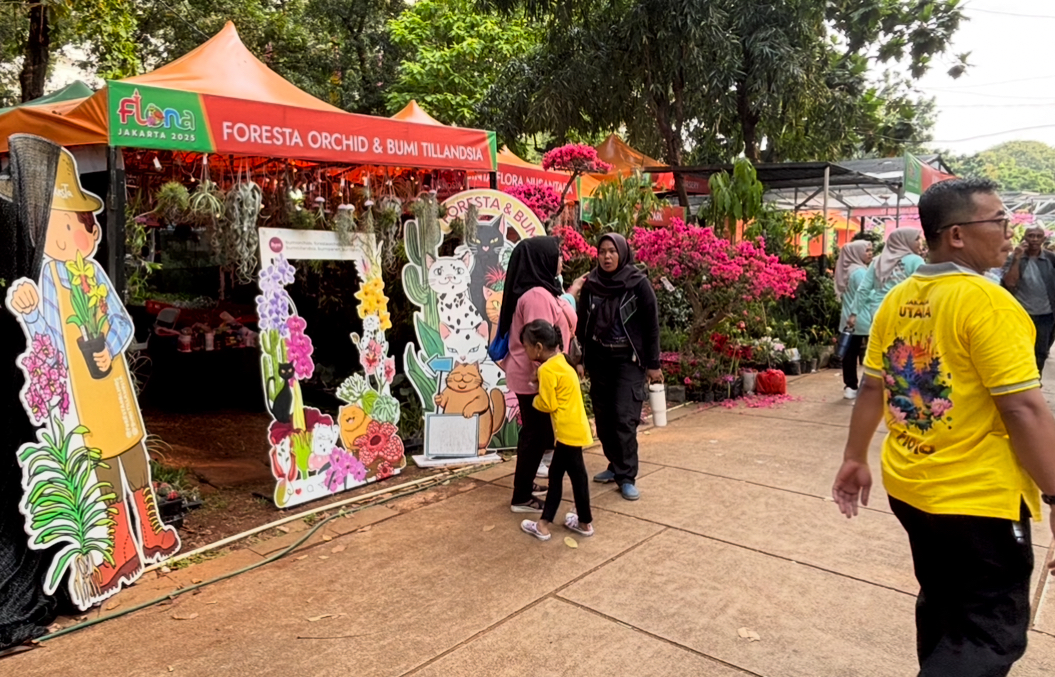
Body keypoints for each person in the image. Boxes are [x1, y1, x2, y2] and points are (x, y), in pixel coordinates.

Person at [831, 177, 1055, 676]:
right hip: (977, 503)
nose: (1008, 231)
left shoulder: (899, 299)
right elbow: (1024, 410)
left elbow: (873, 388)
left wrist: (854, 457)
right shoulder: (990, 304)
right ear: (956, 234)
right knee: (986, 633)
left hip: (912, 489)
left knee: (944, 607)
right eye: (998, 220)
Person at [7, 147, 180, 598]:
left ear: (88, 231)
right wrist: (25, 309)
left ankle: (152, 529)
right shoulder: (45, 280)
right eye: (55, 226)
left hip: (112, 381)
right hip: (79, 392)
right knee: (99, 461)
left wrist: (112, 346)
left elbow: (122, 323)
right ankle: (119, 547)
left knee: (131, 450)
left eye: (73, 224)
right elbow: (42, 333)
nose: (66, 236)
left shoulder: (95, 277)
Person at [577, 233, 661, 501]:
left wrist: (654, 364)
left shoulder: (638, 284)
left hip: (629, 360)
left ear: (622, 253)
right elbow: (581, 324)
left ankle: (627, 476)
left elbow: (651, 327)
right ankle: (614, 465)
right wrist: (580, 359)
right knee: (603, 419)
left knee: (624, 418)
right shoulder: (591, 285)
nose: (607, 256)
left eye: (612, 251)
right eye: (602, 251)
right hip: (600, 359)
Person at [497, 236, 577, 513]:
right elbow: (538, 346)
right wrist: (545, 380)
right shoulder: (536, 297)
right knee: (535, 435)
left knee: (538, 434)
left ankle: (526, 484)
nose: (561, 260)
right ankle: (521, 497)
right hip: (534, 379)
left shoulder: (543, 290)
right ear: (542, 259)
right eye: (557, 255)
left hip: (535, 376)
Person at [518, 320, 595, 540]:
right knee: (571, 475)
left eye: (526, 347)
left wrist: (534, 400)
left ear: (539, 347)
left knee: (561, 477)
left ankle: (545, 525)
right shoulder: (561, 361)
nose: (525, 351)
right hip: (576, 429)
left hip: (565, 432)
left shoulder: (547, 369)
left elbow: (548, 404)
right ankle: (582, 522)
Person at [845, 228, 926, 399]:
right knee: (907, 352)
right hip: (905, 311)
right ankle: (903, 390)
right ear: (906, 241)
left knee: (882, 351)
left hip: (879, 311)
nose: (921, 242)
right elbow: (924, 288)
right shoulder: (915, 261)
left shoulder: (878, 261)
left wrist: (853, 313)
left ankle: (873, 389)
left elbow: (864, 289)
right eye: (917, 238)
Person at [1001, 225, 1055, 375]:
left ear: (1044, 239)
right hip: (1021, 314)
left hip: (1046, 315)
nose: (1035, 239)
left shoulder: (1050, 258)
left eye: (1038, 236)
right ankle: (1020, 378)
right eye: (1031, 235)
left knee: (1041, 351)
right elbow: (1010, 283)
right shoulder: (1014, 258)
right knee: (1019, 349)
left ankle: (1035, 379)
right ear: (1025, 238)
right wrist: (1017, 258)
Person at [835, 240, 874, 398]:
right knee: (873, 352)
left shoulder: (847, 270)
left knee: (850, 353)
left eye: (871, 250)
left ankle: (850, 386)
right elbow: (866, 294)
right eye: (867, 250)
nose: (870, 253)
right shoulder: (859, 272)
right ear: (857, 253)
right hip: (862, 316)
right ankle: (870, 386)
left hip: (848, 316)